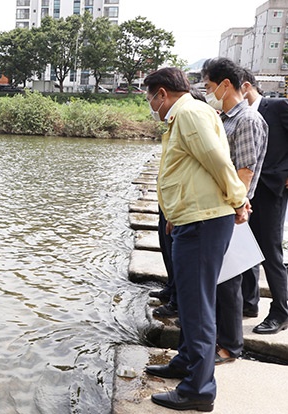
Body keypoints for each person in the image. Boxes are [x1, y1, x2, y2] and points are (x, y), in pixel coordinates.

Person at [143, 67, 249, 412]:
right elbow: (191, 171)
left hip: (204, 222)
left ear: (162, 93)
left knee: (198, 308)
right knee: (191, 303)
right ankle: (187, 363)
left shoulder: (188, 113)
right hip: (192, 218)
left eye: (149, 97)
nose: (150, 105)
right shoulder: (187, 115)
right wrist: (174, 213)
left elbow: (218, 160)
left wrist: (238, 199)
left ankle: (198, 390)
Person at [201, 58, 268, 363]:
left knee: (229, 282)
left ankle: (231, 346)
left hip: (231, 212)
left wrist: (236, 208)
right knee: (219, 280)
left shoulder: (247, 121)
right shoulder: (225, 117)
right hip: (220, 209)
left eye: (210, 86)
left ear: (226, 84)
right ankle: (218, 339)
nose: (208, 92)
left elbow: (244, 172)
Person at [149, 87, 207, 319]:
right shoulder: (174, 127)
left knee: (182, 259)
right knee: (168, 248)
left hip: (187, 207)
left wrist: (238, 200)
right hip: (170, 203)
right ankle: (172, 289)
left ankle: (178, 303)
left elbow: (217, 165)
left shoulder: (193, 121)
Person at [240, 68, 288, 334]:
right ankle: (249, 302)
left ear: (245, 86)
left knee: (271, 252)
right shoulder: (238, 116)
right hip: (248, 191)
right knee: (247, 248)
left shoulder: (278, 106)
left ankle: (281, 311)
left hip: (272, 189)